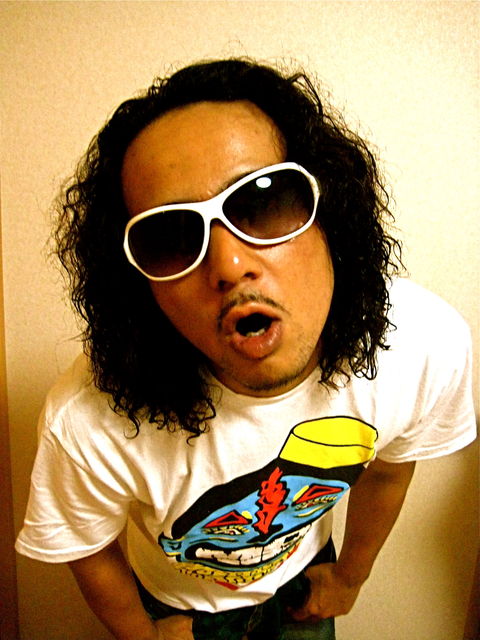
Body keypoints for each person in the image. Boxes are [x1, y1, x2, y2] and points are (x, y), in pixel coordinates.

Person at [16, 58, 476, 640]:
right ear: (140, 289)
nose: (230, 265)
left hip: (305, 585)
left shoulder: (418, 344)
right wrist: (144, 636)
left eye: (263, 203)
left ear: (331, 215)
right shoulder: (87, 418)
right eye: (172, 237)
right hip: (177, 610)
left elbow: (388, 471)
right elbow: (86, 545)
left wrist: (350, 577)